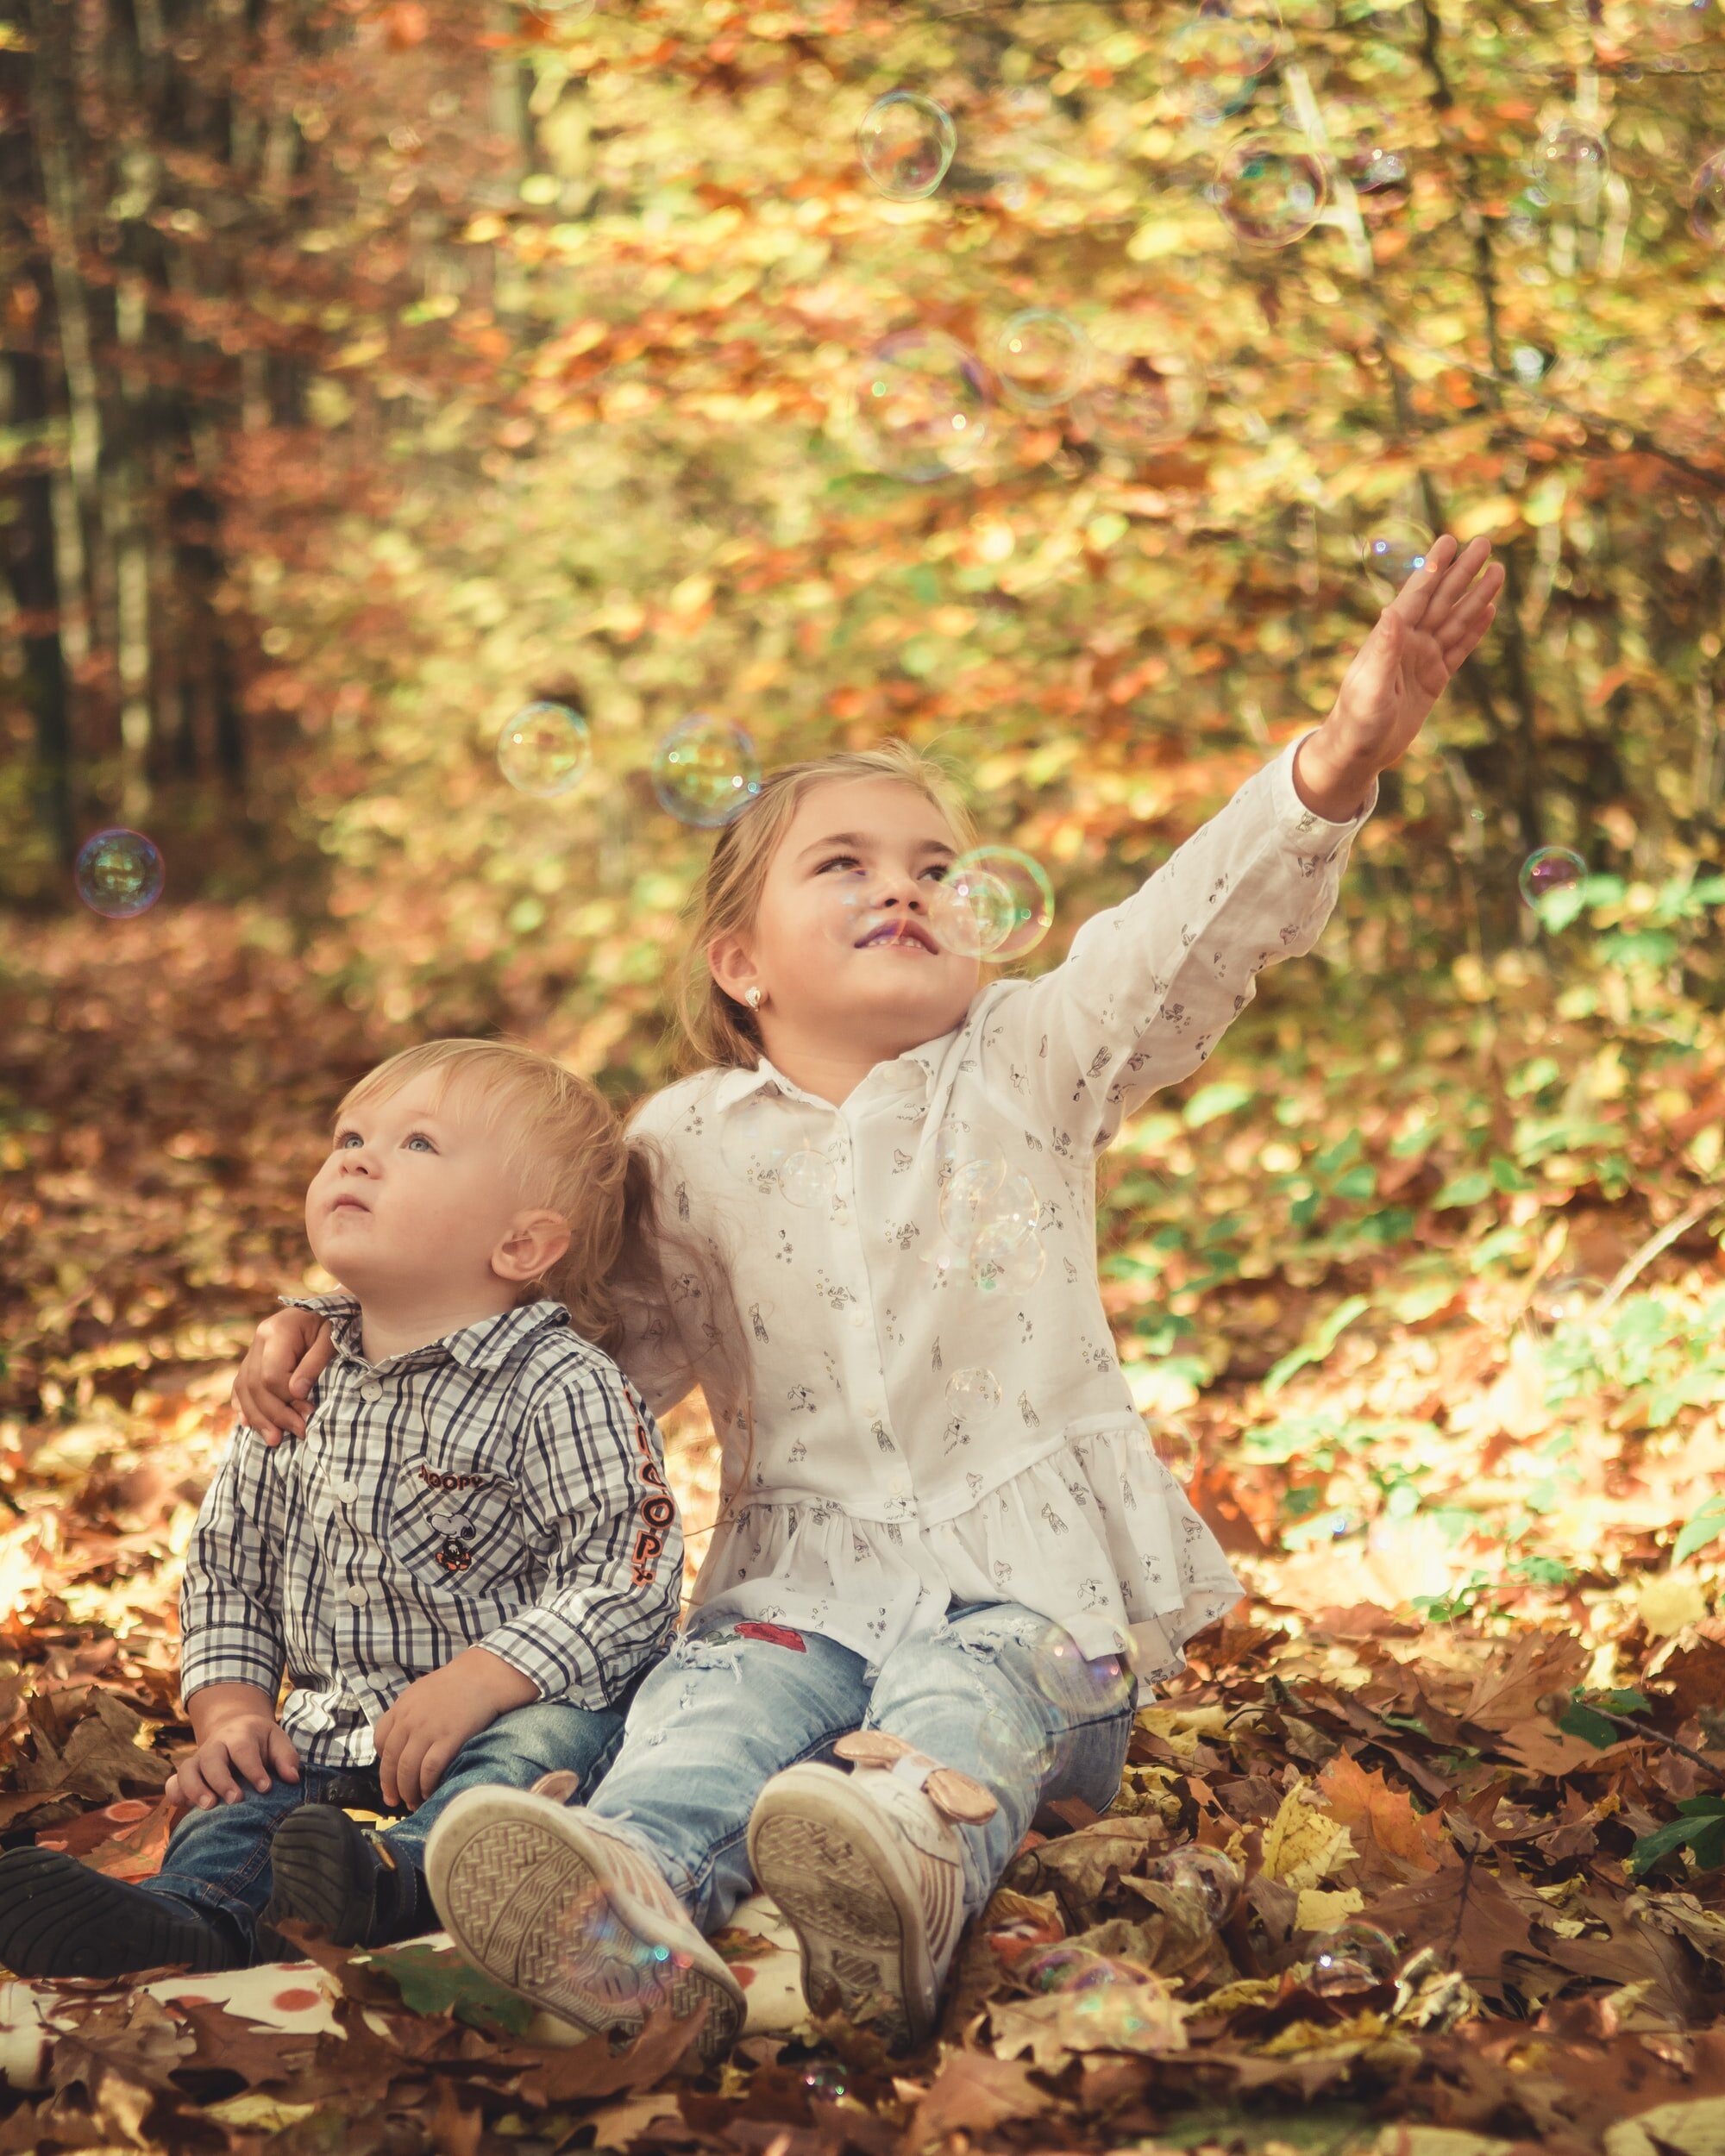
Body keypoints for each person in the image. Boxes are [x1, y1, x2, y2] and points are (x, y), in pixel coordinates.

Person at [234, 536, 1503, 2067]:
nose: (904, 887)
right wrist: (335, 1314)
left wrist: (1337, 754)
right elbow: (551, 1349)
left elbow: (1182, 939)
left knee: (963, 1700)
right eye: (845, 865)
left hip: (1037, 1604)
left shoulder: (1033, 1066)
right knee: (698, 1718)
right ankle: (624, 1927)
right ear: (739, 960)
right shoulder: (683, 1145)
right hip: (792, 1597)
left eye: (935, 870)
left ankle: (897, 1874)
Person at [0, 1040, 685, 1980]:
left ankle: (409, 1881)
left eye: (417, 1145)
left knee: (542, 1753)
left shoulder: (561, 1385)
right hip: (332, 1724)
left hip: (506, 1711)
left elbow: (629, 1573)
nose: (357, 1158)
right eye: (350, 1136)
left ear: (520, 1245)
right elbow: (231, 1567)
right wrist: (232, 1714)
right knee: (243, 1798)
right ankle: (191, 1920)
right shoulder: (299, 1378)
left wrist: (486, 1676)